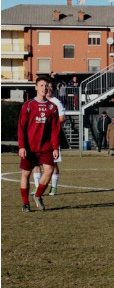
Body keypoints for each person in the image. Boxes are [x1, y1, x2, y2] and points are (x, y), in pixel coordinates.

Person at [17, 76, 60, 212]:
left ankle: (37, 195)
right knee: (26, 174)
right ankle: (25, 203)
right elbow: (21, 128)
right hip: (30, 147)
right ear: (36, 87)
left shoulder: (52, 107)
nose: (44, 88)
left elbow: (55, 129)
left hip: (45, 146)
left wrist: (55, 147)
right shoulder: (28, 106)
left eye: (46, 86)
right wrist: (22, 146)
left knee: (49, 170)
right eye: (41, 85)